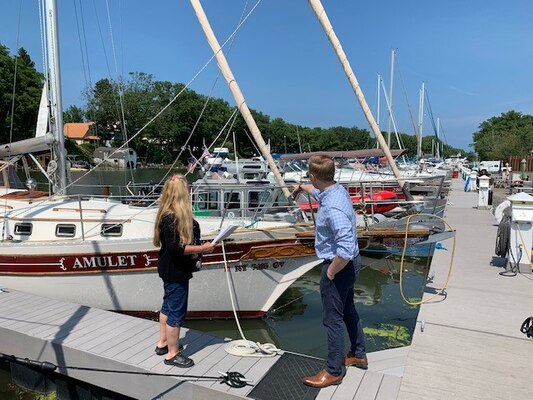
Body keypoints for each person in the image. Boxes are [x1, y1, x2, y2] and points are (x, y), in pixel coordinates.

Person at [293, 155, 367, 389]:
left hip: (340, 264)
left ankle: (334, 371)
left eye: (308, 177)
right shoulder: (336, 191)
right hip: (352, 262)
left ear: (314, 176)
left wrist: (331, 273)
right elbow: (317, 192)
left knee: (332, 319)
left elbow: (344, 249)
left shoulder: (333, 207)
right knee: (347, 310)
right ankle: (358, 353)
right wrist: (301, 187)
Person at [153, 174, 215, 368]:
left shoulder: (167, 214)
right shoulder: (171, 218)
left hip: (169, 269)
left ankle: (163, 342)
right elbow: (176, 248)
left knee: (167, 305)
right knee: (176, 312)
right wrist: (202, 249)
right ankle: (172, 354)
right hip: (176, 271)